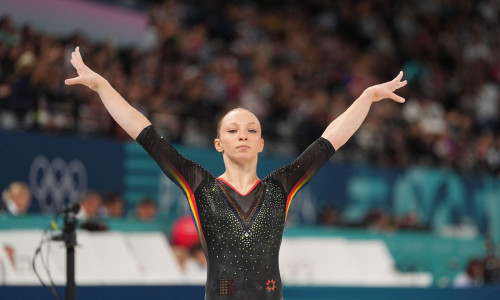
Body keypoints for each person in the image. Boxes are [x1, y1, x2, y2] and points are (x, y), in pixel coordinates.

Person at [65, 46, 406, 299]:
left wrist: (366, 97)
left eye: (251, 130)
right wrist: (101, 87)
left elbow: (329, 140)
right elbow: (147, 135)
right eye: (232, 130)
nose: (242, 134)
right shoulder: (200, 186)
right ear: (217, 144)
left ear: (261, 144)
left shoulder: (280, 188)